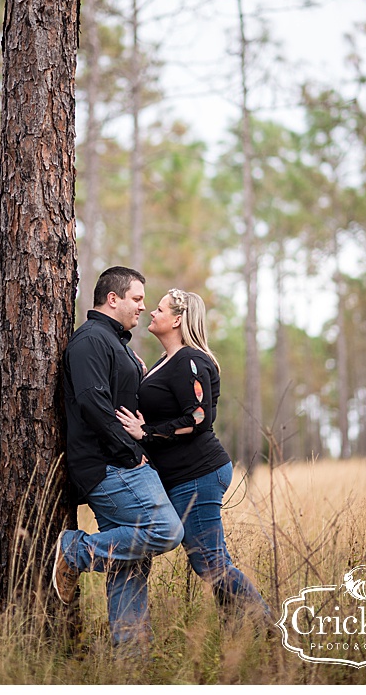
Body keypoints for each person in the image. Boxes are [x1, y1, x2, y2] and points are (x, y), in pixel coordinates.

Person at [116, 289, 273, 625]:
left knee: (211, 564)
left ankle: (270, 628)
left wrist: (147, 433)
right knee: (213, 563)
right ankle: (241, 634)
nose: (150, 313)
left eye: (158, 309)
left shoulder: (190, 361)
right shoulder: (167, 362)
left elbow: (199, 418)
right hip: (185, 477)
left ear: (177, 319)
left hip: (198, 474)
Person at [50, 266, 183, 650]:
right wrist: (131, 453)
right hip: (112, 464)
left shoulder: (113, 342)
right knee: (165, 531)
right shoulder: (91, 340)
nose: (142, 307)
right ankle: (74, 551)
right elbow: (93, 403)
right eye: (137, 299)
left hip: (118, 461)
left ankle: (131, 657)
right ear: (113, 298)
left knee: (131, 563)